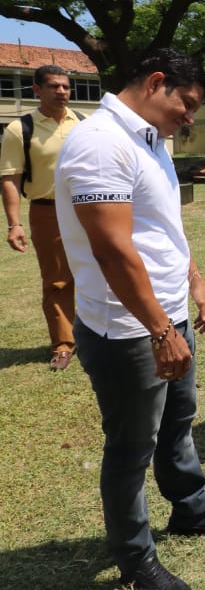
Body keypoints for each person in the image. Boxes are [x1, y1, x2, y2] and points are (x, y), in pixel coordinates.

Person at [55, 49, 205, 590]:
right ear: (157, 83)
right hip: (129, 328)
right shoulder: (100, 144)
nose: (189, 117)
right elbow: (114, 250)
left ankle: (189, 506)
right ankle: (137, 561)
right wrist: (161, 331)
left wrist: (195, 281)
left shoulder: (147, 140)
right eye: (186, 104)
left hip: (167, 314)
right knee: (131, 447)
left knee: (179, 419)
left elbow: (160, 228)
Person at [1, 65, 82, 369]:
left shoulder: (85, 123)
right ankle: (63, 344)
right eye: (53, 87)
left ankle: (101, 338)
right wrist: (14, 223)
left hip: (89, 209)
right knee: (58, 280)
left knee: (101, 272)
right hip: (48, 211)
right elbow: (10, 178)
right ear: (37, 90)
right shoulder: (20, 129)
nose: (61, 92)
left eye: (65, 86)